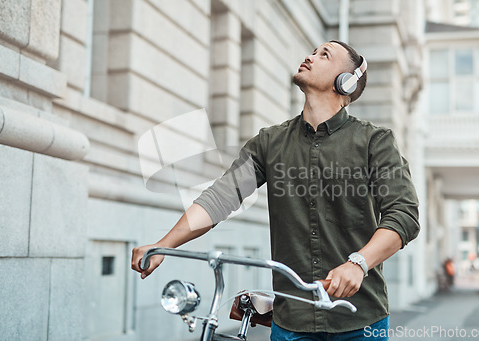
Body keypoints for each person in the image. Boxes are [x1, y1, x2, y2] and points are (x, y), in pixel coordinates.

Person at [131, 40, 420, 340]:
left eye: (324, 55)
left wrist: (358, 264)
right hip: (291, 324)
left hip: (359, 322)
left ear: (345, 83)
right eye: (313, 51)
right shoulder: (269, 142)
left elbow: (404, 215)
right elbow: (221, 197)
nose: (310, 56)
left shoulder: (375, 141)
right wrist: (163, 244)